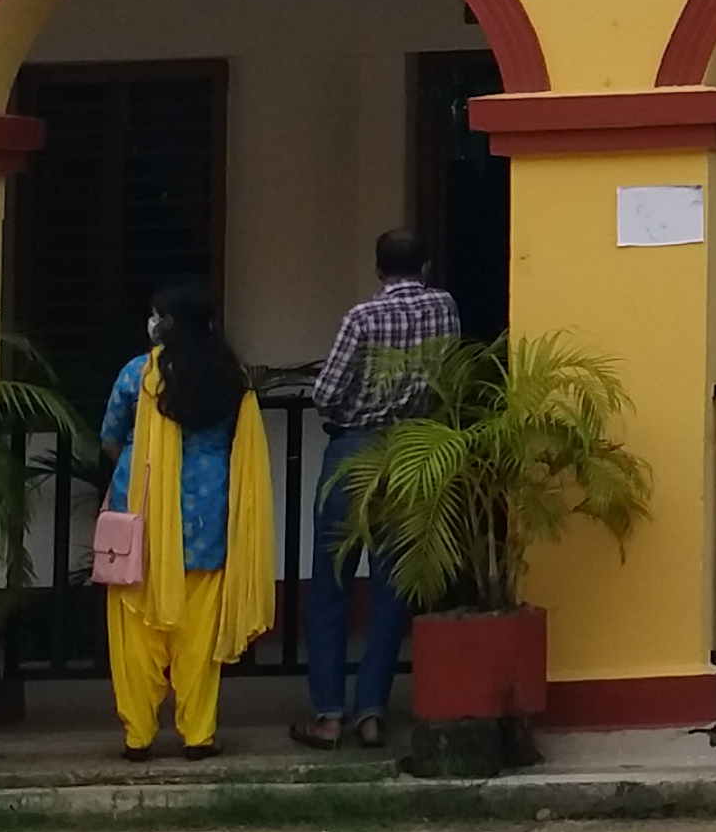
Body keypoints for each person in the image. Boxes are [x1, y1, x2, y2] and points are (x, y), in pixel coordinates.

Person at [293, 229, 461, 750]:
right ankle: (371, 711)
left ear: (378, 269)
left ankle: (326, 714)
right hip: (411, 452)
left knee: (331, 584)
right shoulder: (445, 308)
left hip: (354, 451)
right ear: (426, 266)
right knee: (391, 587)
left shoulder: (362, 317)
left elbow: (325, 393)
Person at [101, 280, 272, 761]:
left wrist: (142, 461)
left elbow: (111, 437)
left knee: (136, 629)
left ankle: (138, 736)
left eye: (157, 315)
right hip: (208, 518)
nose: (151, 323)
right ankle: (198, 734)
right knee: (199, 635)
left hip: (143, 514)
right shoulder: (231, 378)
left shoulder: (139, 375)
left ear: (169, 324)